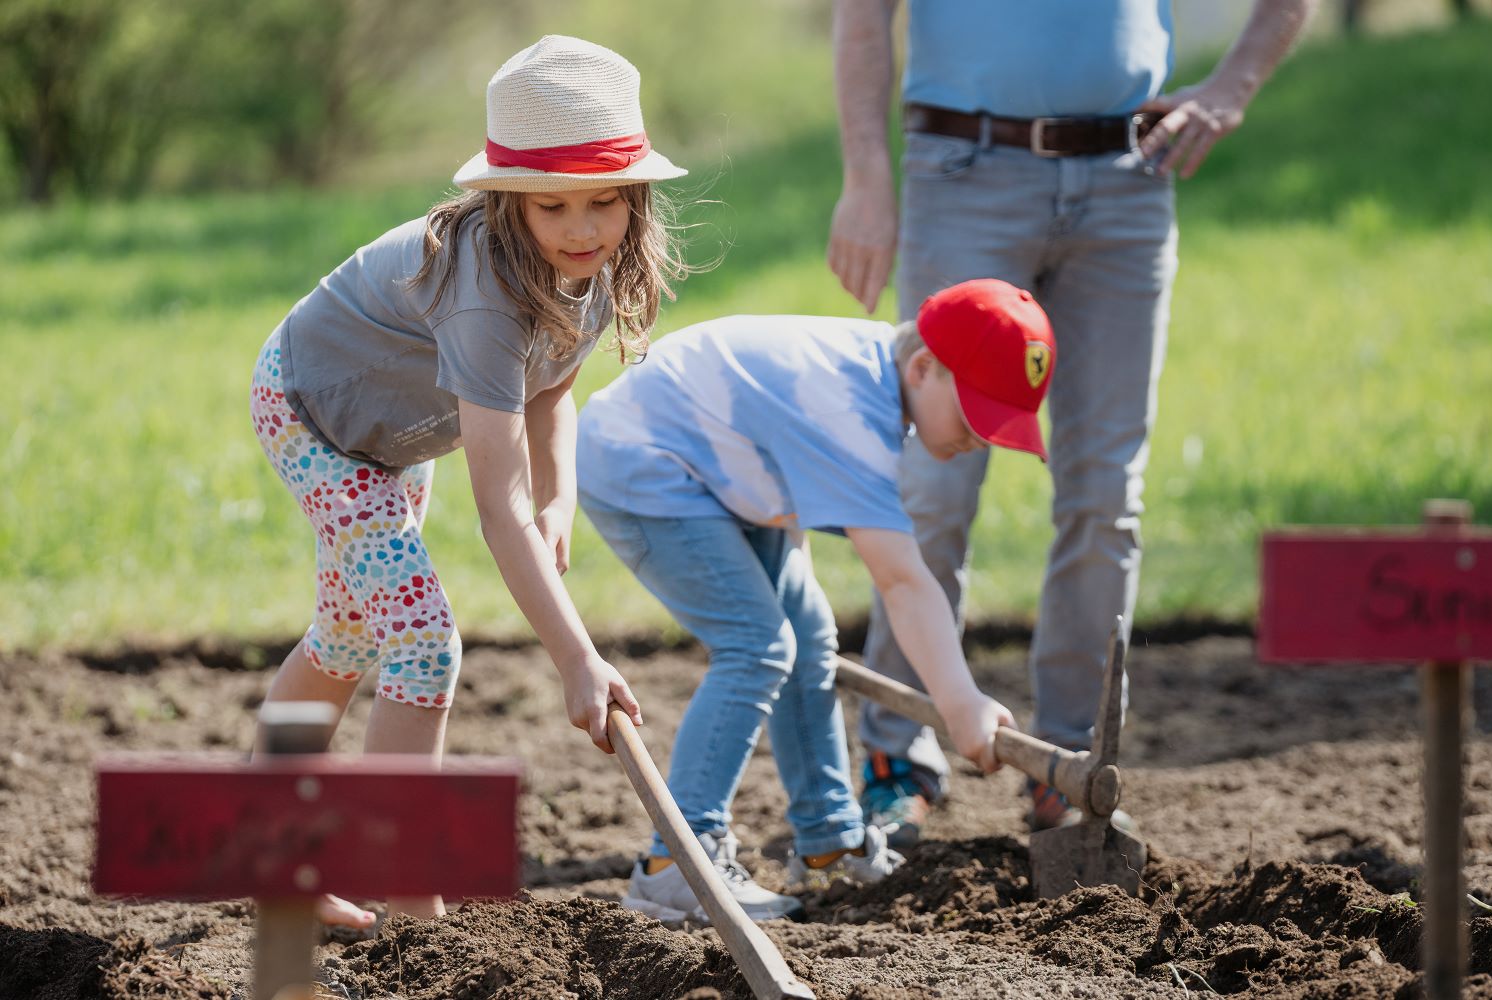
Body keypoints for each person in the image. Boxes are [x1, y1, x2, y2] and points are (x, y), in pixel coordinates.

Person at [827, 0, 1313, 845]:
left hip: (1128, 183)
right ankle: (896, 757)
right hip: (963, 169)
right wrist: (867, 178)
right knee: (933, 484)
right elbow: (863, 14)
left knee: (1104, 492)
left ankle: (1069, 767)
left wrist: (1234, 86)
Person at [248, 35, 689, 928]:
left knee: (347, 634)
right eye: (553, 207)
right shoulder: (484, 291)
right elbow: (499, 511)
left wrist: (560, 495)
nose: (582, 229)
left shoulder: (587, 270)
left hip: (397, 438)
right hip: (315, 414)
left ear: (635, 199)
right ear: (505, 202)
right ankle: (413, 903)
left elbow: (553, 389)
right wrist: (577, 660)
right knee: (420, 638)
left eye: (605, 202)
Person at [575, 278, 1051, 923]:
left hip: (724, 472)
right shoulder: (849, 410)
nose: (984, 437)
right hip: (646, 465)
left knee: (808, 637)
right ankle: (676, 866)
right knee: (758, 644)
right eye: (977, 414)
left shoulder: (878, 384)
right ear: (924, 369)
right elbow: (903, 581)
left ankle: (828, 841)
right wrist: (961, 703)